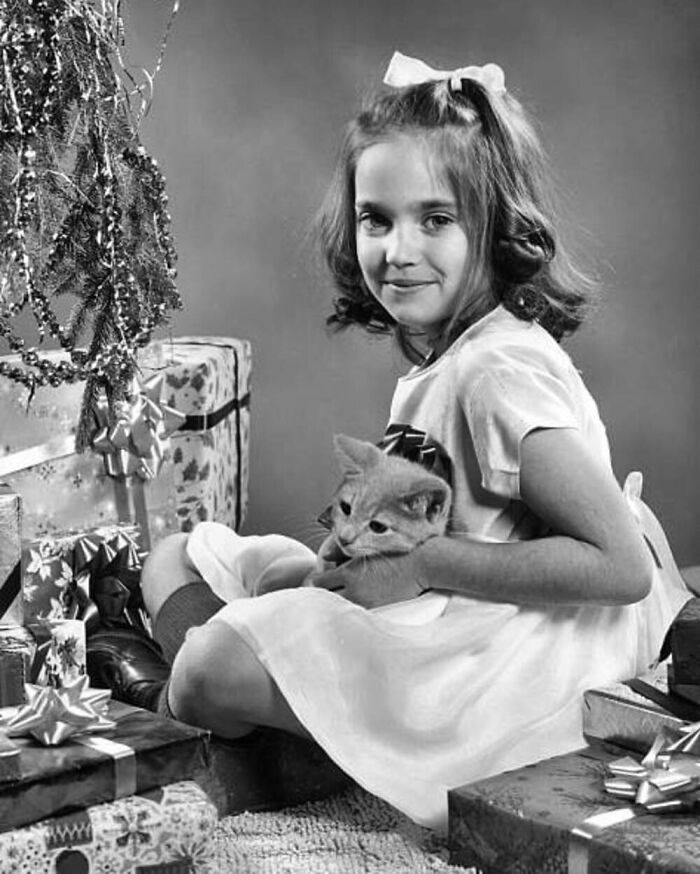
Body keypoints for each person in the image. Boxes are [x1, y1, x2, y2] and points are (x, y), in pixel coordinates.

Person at [87, 51, 692, 830]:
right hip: (429, 608)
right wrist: (353, 566)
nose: (398, 250)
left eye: (435, 219)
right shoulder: (450, 357)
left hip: (496, 657)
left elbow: (622, 568)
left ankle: (196, 712)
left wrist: (421, 567)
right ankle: (292, 735)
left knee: (211, 662)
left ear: (495, 225)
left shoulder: (498, 373)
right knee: (178, 555)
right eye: (377, 218)